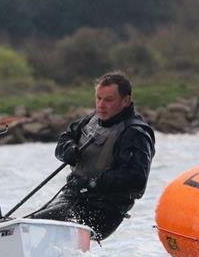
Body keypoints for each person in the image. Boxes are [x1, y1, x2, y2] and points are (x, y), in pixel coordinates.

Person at [32, 71, 155, 240]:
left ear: (125, 101)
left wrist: (95, 182)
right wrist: (68, 149)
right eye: (98, 98)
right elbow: (64, 139)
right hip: (72, 197)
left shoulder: (135, 134)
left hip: (103, 210)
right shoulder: (91, 120)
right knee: (32, 223)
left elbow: (137, 180)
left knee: (39, 224)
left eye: (108, 100)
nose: (101, 105)